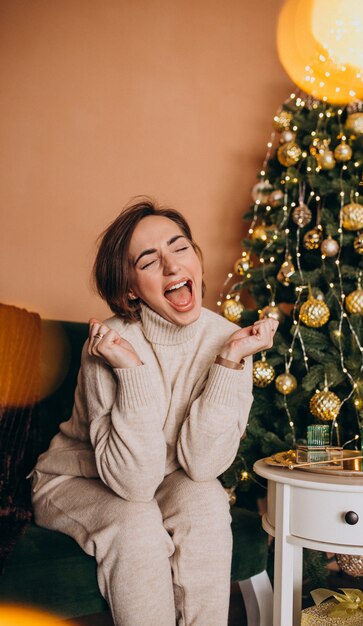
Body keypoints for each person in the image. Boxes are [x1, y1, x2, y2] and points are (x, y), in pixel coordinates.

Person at [31, 198, 278, 626]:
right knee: (136, 523)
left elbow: (202, 466)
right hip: (76, 481)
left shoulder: (229, 339)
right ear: (129, 289)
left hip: (169, 477)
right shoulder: (110, 347)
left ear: (196, 261)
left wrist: (230, 361)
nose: (170, 265)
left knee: (206, 502)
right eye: (148, 260)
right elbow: (135, 484)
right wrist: (132, 371)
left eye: (179, 247)